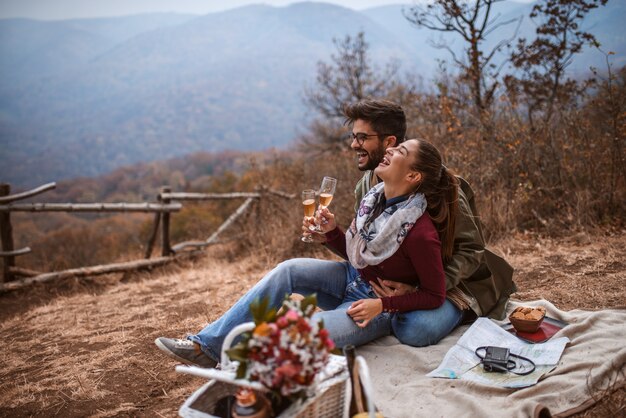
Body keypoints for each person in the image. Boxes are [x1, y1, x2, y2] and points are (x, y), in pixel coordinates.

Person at [155, 139, 462, 367]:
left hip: (370, 306)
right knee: (288, 269)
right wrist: (332, 233)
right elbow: (360, 256)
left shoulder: (420, 232)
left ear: (413, 177)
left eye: (401, 153)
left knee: (299, 334)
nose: (391, 151)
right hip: (350, 278)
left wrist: (383, 305)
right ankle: (207, 348)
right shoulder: (374, 200)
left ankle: (242, 369)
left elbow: (435, 295)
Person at [339, 99, 515, 322]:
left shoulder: (441, 187)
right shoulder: (367, 187)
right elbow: (366, 246)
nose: (354, 144)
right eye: (354, 137)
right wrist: (327, 235)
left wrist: (418, 289)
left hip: (454, 283)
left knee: (417, 330)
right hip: (394, 286)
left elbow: (471, 250)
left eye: (362, 137)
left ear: (389, 142)